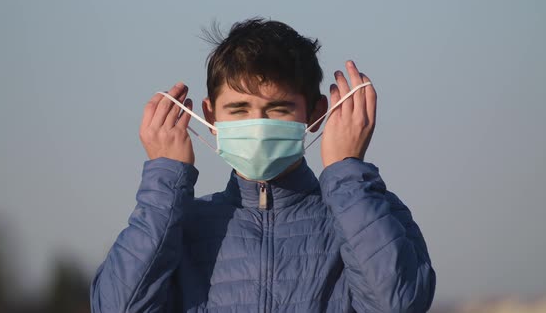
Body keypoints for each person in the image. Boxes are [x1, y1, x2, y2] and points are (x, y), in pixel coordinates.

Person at [90, 18, 436, 313]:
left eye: (279, 109)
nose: (257, 124)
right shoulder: (179, 222)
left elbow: (397, 303)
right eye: (238, 110)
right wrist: (165, 179)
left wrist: (346, 170)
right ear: (210, 117)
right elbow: (118, 305)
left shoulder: (365, 210)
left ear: (315, 114)